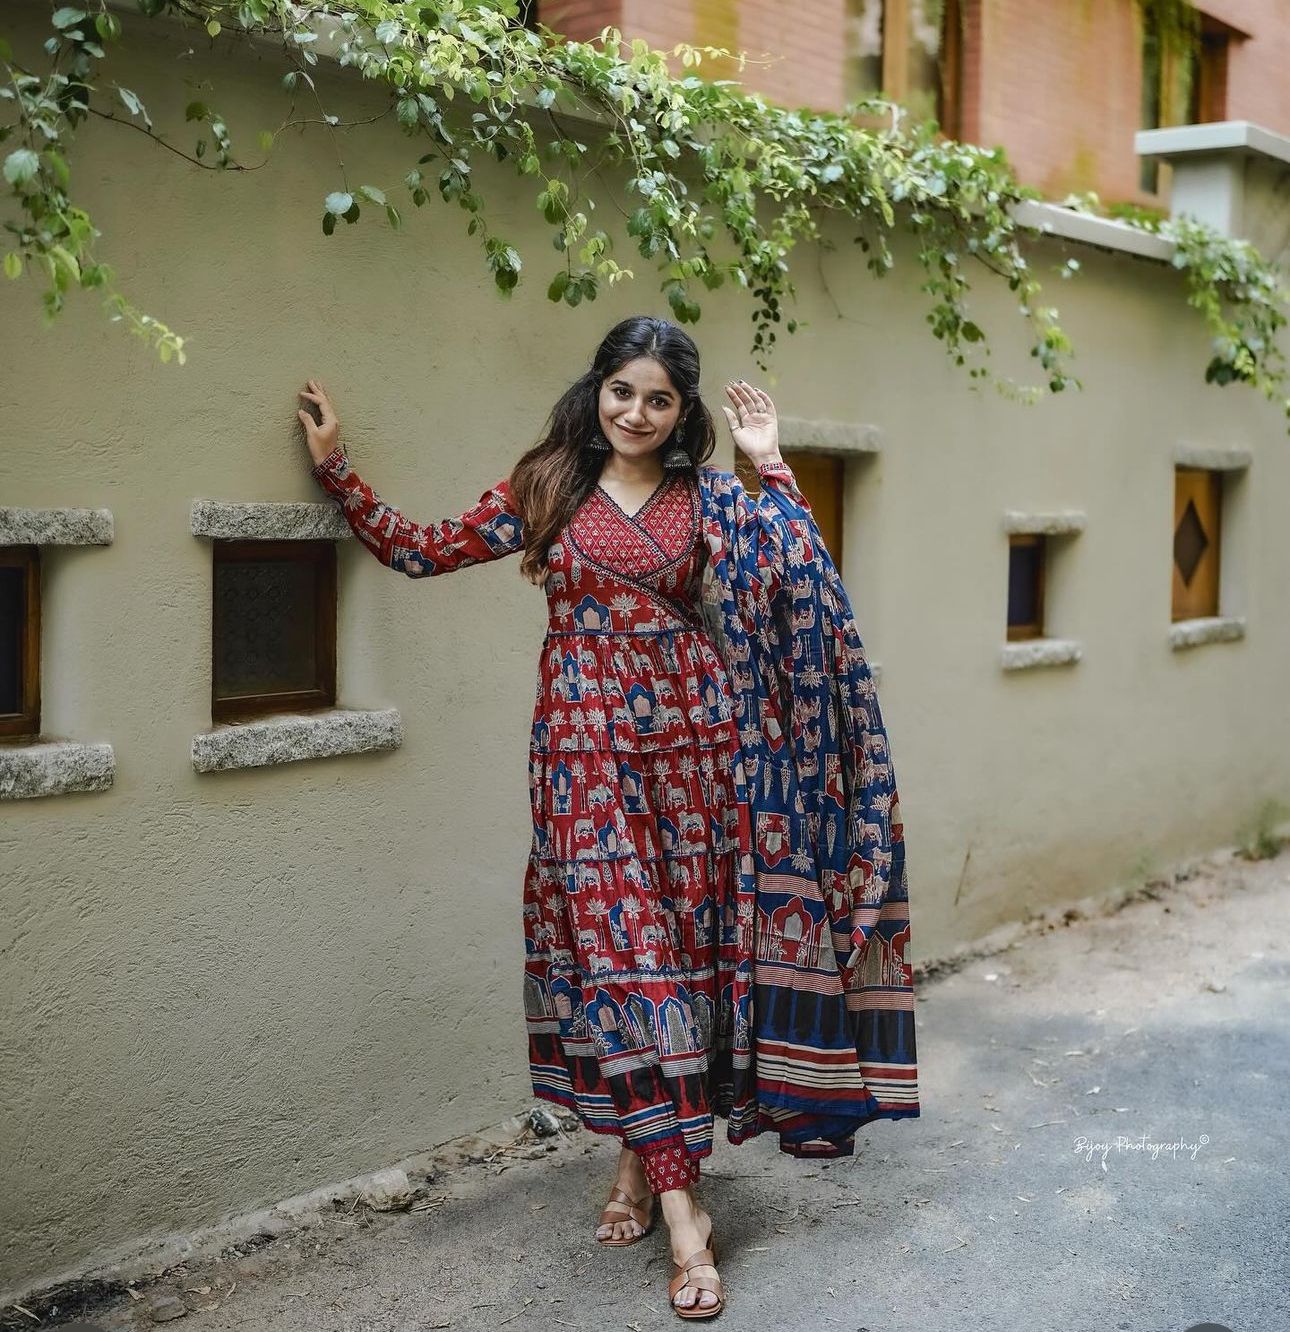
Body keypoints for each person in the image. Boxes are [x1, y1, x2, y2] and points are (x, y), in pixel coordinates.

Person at [298, 315, 919, 1320]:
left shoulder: (711, 499)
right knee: (625, 961)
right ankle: (688, 1221)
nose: (634, 412)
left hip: (697, 763)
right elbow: (419, 550)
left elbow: (803, 579)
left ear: (684, 414)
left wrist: (772, 468)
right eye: (620, 390)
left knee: (678, 964)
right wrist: (340, 471)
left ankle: (644, 1165)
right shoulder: (544, 487)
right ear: (597, 390)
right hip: (585, 763)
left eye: (658, 398)